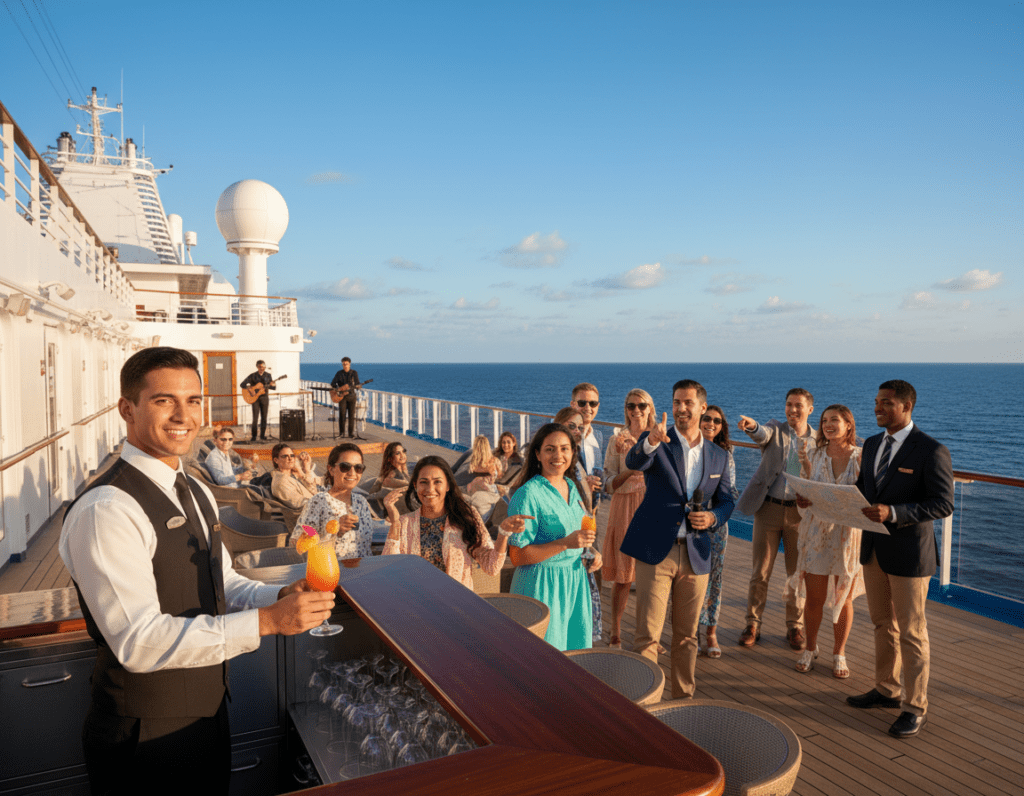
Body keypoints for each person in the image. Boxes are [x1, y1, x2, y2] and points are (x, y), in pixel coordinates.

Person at [59, 347, 333, 795]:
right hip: (144, 734)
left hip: (207, 712)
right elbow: (137, 641)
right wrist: (266, 623)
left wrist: (277, 597)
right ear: (127, 409)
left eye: (192, 400)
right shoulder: (106, 509)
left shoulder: (194, 490)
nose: (182, 415)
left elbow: (223, 581)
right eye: (163, 400)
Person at [845, 380, 954, 739]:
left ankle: (915, 706)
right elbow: (864, 489)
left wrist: (893, 512)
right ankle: (887, 689)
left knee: (911, 631)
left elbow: (943, 503)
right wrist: (826, 499)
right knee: (882, 623)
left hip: (910, 555)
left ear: (906, 407)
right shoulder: (873, 444)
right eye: (876, 401)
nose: (877, 408)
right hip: (874, 549)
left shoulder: (931, 450)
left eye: (886, 403)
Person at [619, 380, 734, 699]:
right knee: (647, 636)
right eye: (676, 402)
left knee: (687, 637)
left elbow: (727, 500)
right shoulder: (656, 441)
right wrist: (650, 441)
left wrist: (713, 518)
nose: (681, 408)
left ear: (702, 408)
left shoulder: (718, 455)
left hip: (697, 553)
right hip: (657, 550)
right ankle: (645, 704)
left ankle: (684, 699)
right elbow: (633, 462)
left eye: (687, 402)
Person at [507, 423, 602, 651]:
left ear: (573, 452)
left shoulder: (572, 486)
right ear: (538, 454)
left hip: (574, 583)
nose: (558, 456)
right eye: (550, 449)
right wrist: (564, 544)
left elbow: (576, 534)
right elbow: (517, 556)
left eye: (564, 449)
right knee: (544, 658)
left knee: (573, 654)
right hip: (541, 586)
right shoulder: (527, 494)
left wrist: (591, 551)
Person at [735, 388, 817, 650]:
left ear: (810, 409)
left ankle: (795, 626)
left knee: (797, 574)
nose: (792, 410)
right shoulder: (776, 429)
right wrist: (752, 426)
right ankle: (752, 624)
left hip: (799, 514)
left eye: (798, 405)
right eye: (789, 404)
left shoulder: (818, 440)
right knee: (760, 572)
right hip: (768, 508)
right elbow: (762, 433)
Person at [790, 405, 865, 677]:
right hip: (817, 534)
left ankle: (839, 653)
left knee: (843, 598)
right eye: (824, 421)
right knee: (814, 598)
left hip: (847, 535)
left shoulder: (861, 457)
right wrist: (802, 499)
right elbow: (805, 489)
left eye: (835, 420)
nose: (828, 424)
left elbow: (868, 495)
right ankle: (810, 648)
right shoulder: (814, 454)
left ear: (849, 424)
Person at [382, 456, 528, 590]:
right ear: (415, 485)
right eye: (423, 482)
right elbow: (389, 572)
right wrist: (395, 524)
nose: (430, 489)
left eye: (437, 482)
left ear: (448, 486)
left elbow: (491, 567)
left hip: (457, 605)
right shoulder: (404, 523)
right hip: (417, 605)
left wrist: (503, 534)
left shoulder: (465, 517)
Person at [600, 388, 655, 649]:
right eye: (631, 406)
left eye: (641, 406)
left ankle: (649, 633)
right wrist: (630, 471)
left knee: (652, 576)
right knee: (623, 576)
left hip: (651, 505)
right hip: (624, 506)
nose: (636, 410)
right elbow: (608, 481)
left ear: (650, 408)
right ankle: (616, 630)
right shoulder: (617, 440)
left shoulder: (660, 438)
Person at [293, 443, 385, 561]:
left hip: (363, 568)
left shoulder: (361, 502)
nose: (352, 473)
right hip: (331, 569)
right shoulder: (318, 502)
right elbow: (298, 546)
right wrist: (334, 532)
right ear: (331, 469)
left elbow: (365, 547)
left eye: (358, 468)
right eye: (345, 467)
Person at [697, 405, 738, 660]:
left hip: (716, 526)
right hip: (689, 525)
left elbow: (730, 493)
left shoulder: (725, 455)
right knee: (688, 577)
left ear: (722, 427)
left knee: (715, 579)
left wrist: (713, 516)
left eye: (716, 420)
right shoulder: (688, 450)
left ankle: (711, 632)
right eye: (706, 418)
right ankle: (690, 631)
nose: (711, 423)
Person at [571, 382, 604, 499]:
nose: (588, 408)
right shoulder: (564, 435)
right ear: (573, 405)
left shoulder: (598, 436)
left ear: (597, 406)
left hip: (590, 502)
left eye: (593, 403)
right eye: (582, 403)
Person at [465, 435, 506, 520]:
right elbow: (500, 476)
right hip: (488, 490)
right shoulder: (495, 461)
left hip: (475, 490)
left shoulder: (473, 463)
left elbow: (470, 473)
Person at [270, 443, 319, 510]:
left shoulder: (293, 475)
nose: (290, 459)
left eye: (292, 455)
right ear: (276, 460)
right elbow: (301, 503)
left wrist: (306, 470)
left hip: (317, 505)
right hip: (313, 511)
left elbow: (313, 491)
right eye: (285, 456)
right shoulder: (281, 482)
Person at [239, 360, 276, 442]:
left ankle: (262, 436)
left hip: (264, 398)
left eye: (263, 367)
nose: (262, 368)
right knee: (255, 418)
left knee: (264, 418)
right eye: (260, 367)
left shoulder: (268, 375)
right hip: (255, 399)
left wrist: (272, 385)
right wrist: (250, 389)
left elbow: (273, 387)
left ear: (265, 367)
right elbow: (242, 384)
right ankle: (254, 436)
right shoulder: (253, 375)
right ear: (257, 367)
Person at [330, 357, 360, 438]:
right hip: (342, 397)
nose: (345, 366)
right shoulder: (339, 373)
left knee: (351, 416)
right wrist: (339, 390)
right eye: (343, 364)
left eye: (346, 364)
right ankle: (341, 433)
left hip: (352, 396)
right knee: (342, 415)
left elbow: (357, 383)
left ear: (349, 364)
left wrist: (358, 386)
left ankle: (351, 434)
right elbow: (333, 384)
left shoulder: (354, 373)